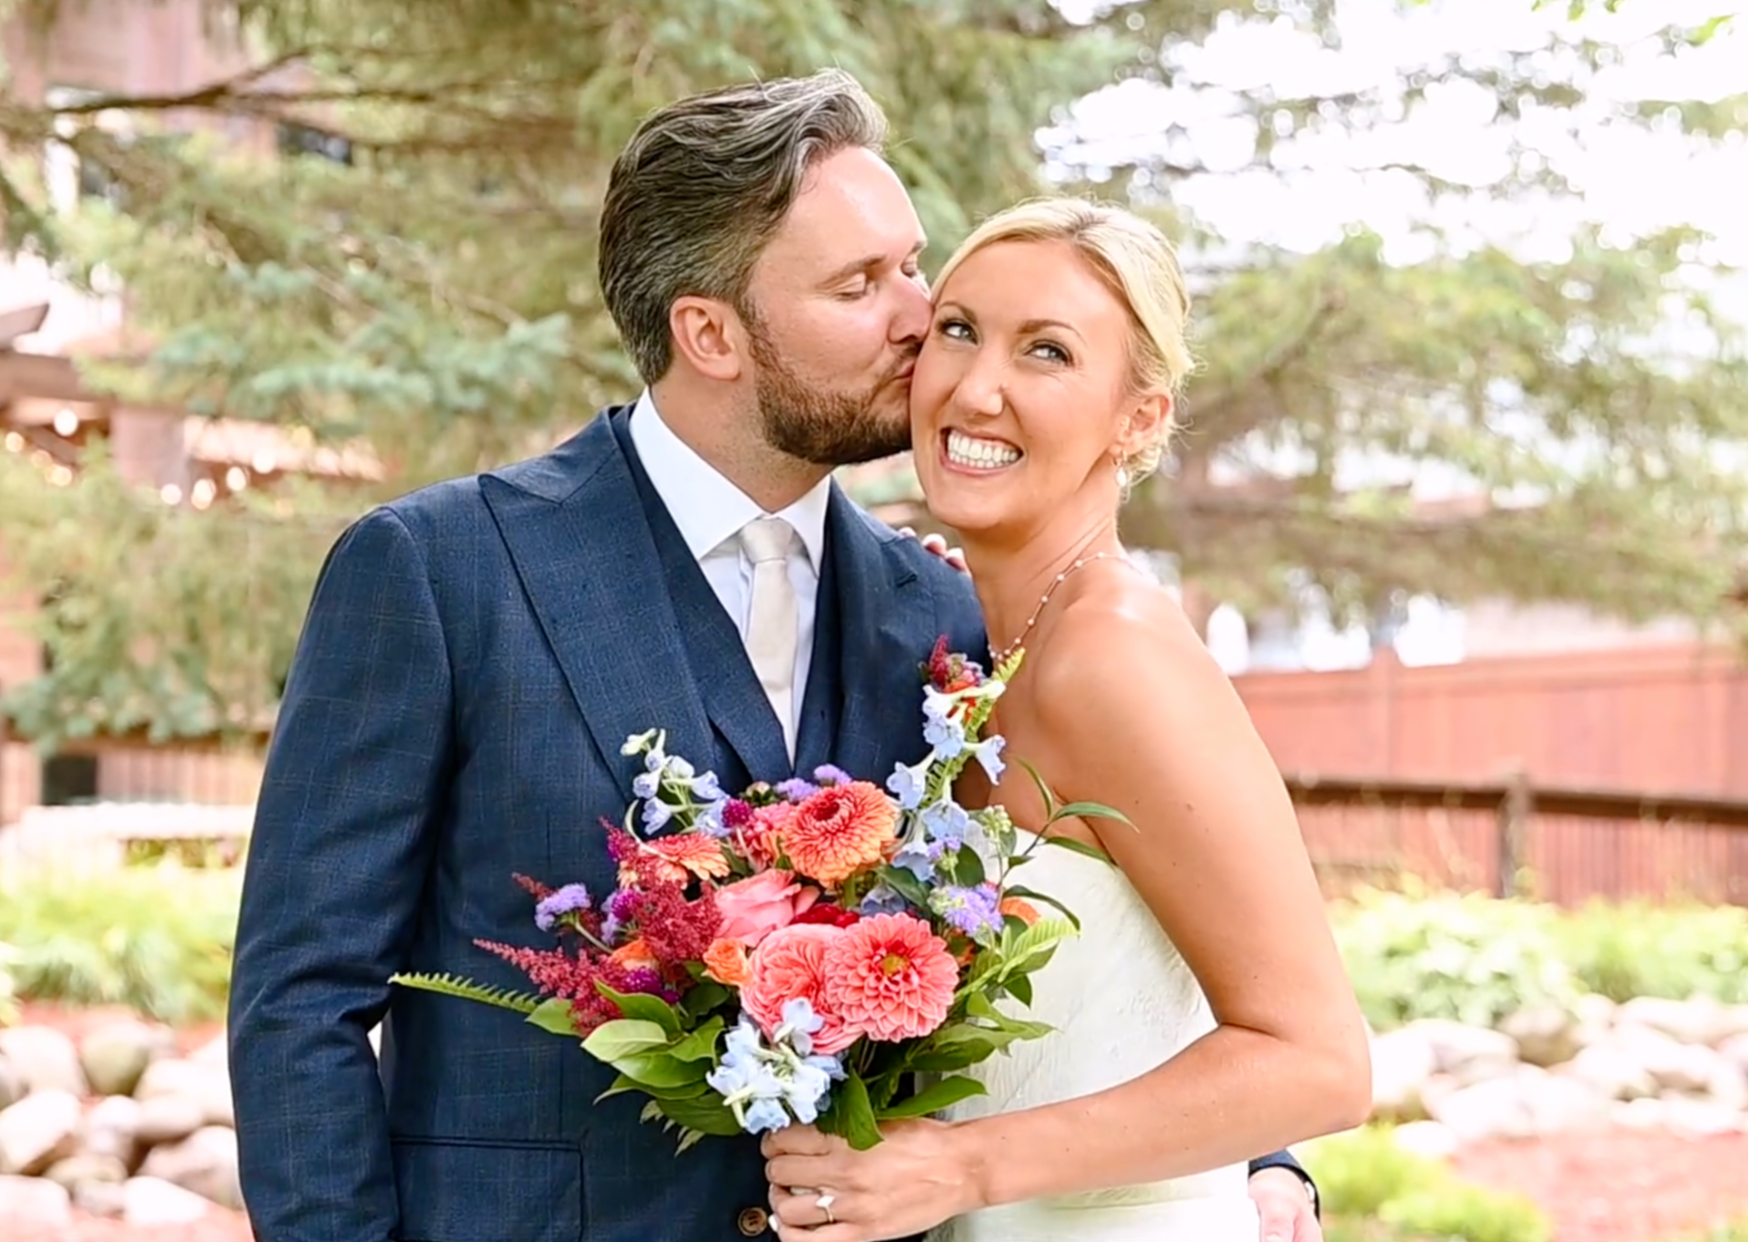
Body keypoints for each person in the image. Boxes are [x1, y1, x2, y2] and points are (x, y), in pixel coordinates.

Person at [226, 69, 1331, 1242]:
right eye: (862, 284)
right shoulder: (440, 572)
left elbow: (1130, 883)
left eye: (912, 266)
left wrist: (1256, 1158)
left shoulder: (944, 616)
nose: (921, 319)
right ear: (709, 333)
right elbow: (300, 1001)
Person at [757, 199, 1373, 1241]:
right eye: (957, 330)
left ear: (1137, 417)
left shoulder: (1115, 657)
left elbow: (1320, 1062)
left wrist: (959, 1164)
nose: (976, 386)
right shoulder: (978, 650)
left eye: (1046, 352)